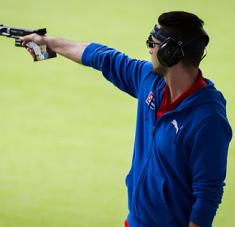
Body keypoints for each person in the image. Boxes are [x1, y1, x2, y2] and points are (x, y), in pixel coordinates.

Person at [20, 11, 232, 227]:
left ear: (170, 53)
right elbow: (103, 56)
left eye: (153, 42)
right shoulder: (150, 80)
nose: (149, 48)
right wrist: (47, 43)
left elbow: (207, 196)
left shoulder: (208, 119)